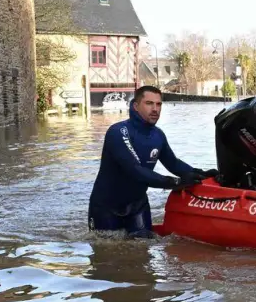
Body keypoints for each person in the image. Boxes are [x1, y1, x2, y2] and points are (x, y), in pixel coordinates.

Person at [87, 85, 205, 237]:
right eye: (149, 103)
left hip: (138, 205)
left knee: (143, 252)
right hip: (106, 208)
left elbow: (173, 163)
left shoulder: (158, 135)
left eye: (158, 104)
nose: (155, 109)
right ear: (136, 106)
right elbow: (135, 170)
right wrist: (175, 182)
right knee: (108, 254)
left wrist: (202, 174)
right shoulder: (118, 132)